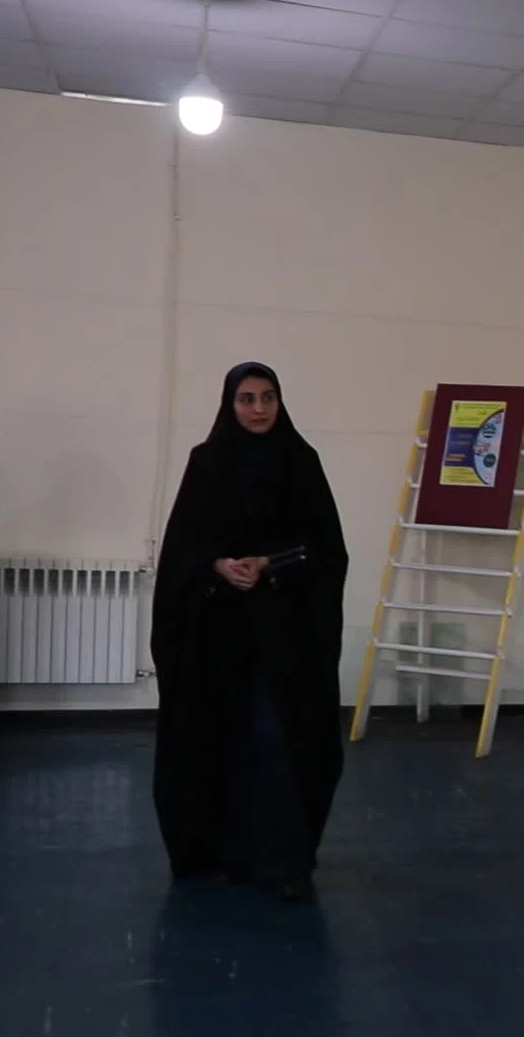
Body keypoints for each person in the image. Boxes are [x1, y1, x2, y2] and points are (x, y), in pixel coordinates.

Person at [151, 362, 349, 900]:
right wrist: (217, 565)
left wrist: (269, 563)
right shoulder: (207, 463)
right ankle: (227, 852)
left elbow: (328, 550)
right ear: (230, 403)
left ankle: (285, 861)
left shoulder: (301, 463)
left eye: (268, 397)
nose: (259, 409)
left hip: (286, 635)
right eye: (247, 398)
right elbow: (182, 549)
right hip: (217, 634)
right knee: (221, 739)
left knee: (279, 739)